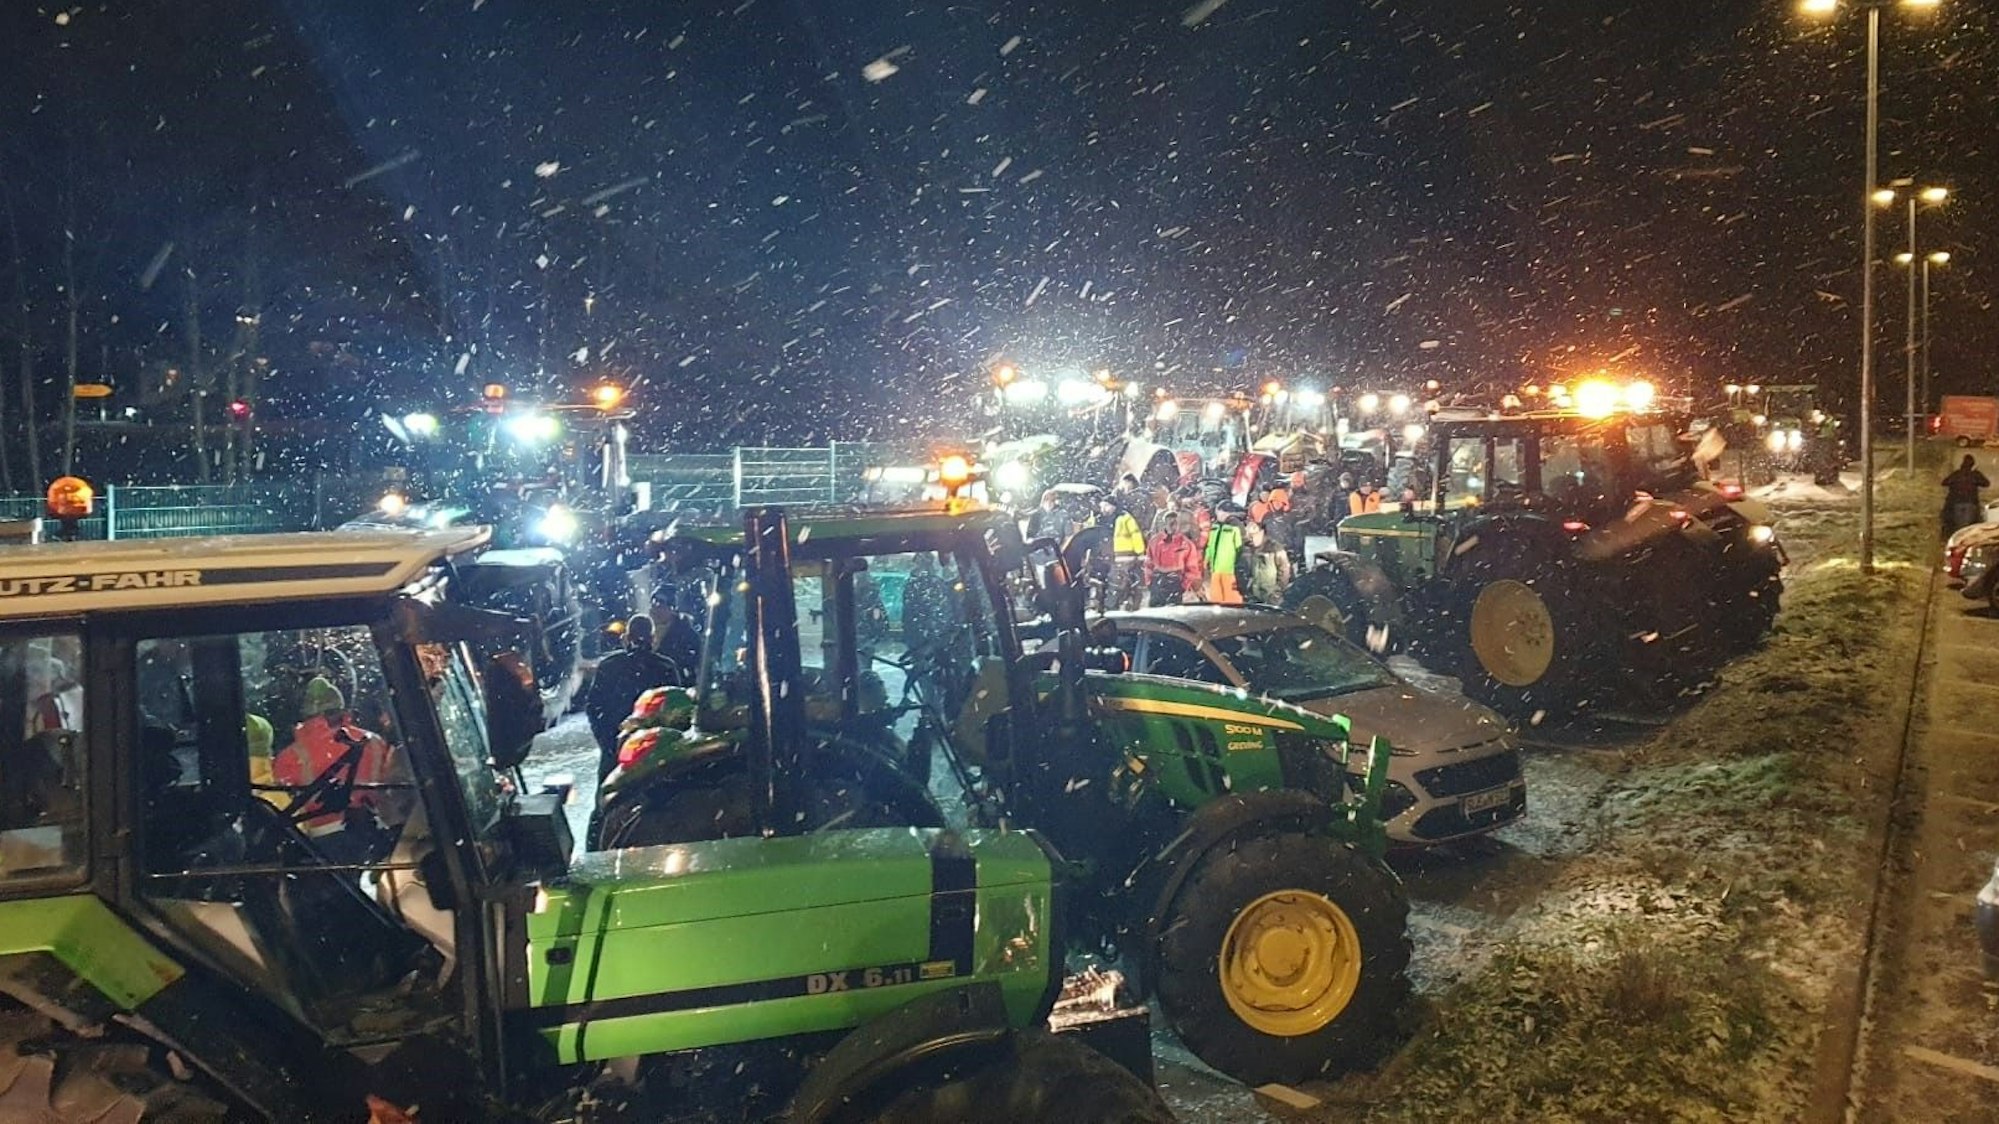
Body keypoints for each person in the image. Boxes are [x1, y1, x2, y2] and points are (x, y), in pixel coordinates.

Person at [271, 677, 405, 864]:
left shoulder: (290, 755)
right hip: (370, 830)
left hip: (319, 838)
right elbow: (392, 783)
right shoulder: (374, 741)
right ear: (342, 710)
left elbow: (281, 802)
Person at [586, 615, 682, 782]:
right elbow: (675, 707)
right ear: (652, 638)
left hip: (615, 745)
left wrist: (607, 739)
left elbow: (594, 706)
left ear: (627, 637)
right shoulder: (665, 667)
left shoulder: (609, 666)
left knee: (610, 792)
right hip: (655, 749)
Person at [1144, 513, 1203, 606]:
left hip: (1175, 582)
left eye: (1175, 523)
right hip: (1157, 581)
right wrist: (1149, 582)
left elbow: (1192, 568)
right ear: (1164, 523)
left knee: (1172, 614)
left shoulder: (1186, 544)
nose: (1172, 526)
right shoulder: (1154, 541)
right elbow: (1148, 564)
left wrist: (1183, 585)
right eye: (1169, 523)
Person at [1241, 519, 1293, 604]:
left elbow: (1284, 570)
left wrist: (1278, 590)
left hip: (1271, 596)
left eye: (1252, 535)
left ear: (1261, 531)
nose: (1250, 538)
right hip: (1254, 596)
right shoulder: (1247, 549)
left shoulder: (1274, 547)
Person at [1108, 500, 1147, 612]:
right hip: (1118, 556)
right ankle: (1125, 602)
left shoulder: (1125, 518)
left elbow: (1136, 534)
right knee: (1123, 581)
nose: (1104, 509)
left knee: (1126, 580)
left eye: (1106, 506)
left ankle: (1130, 602)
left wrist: (1140, 552)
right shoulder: (1112, 519)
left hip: (1127, 555)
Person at [1204, 509, 1246, 605]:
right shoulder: (1214, 527)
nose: (1220, 513)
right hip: (1215, 570)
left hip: (1229, 571)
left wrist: (1237, 566)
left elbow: (1239, 548)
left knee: (1232, 600)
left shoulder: (1235, 526)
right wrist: (1206, 559)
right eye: (1218, 511)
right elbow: (1210, 545)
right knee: (1216, 600)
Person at [1943, 454, 1989, 539]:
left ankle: (1957, 543)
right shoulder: (1975, 474)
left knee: (1959, 527)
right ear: (1972, 464)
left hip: (1956, 503)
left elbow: (1944, 482)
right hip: (1971, 503)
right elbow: (1986, 483)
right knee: (1967, 527)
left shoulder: (1956, 474)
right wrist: (1977, 474)